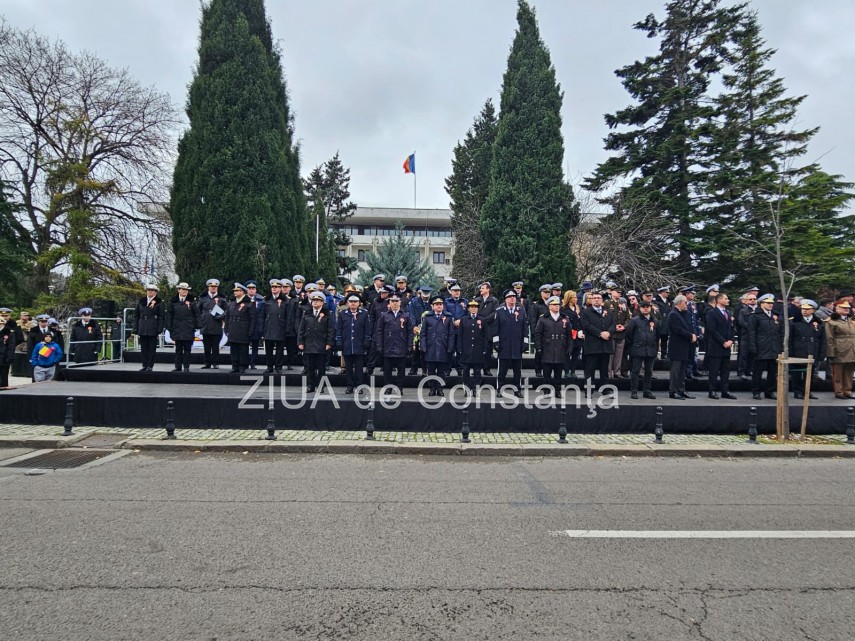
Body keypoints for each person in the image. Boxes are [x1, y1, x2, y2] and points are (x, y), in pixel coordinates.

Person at [747, 293, 784, 400]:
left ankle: (769, 391)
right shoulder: (755, 316)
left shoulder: (776, 316)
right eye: (768, 303)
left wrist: (780, 347)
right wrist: (753, 347)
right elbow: (751, 332)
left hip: (774, 348)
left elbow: (780, 332)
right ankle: (756, 391)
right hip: (761, 347)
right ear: (761, 303)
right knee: (758, 372)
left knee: (773, 372)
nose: (770, 305)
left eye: (771, 303)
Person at [493, 289, 529, 397]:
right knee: (502, 370)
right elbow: (495, 329)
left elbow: (525, 329)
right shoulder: (499, 312)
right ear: (505, 299)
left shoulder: (521, 311)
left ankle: (517, 389)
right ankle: (500, 389)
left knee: (517, 371)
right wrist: (496, 343)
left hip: (517, 345)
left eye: (514, 297)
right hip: (504, 345)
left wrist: (525, 342)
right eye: (509, 297)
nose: (512, 298)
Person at [297, 292, 335, 392]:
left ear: (322, 302)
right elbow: (301, 329)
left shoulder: (328, 314)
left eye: (318, 300)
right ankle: (311, 385)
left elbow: (331, 330)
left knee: (321, 367)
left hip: (321, 343)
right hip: (309, 343)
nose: (315, 302)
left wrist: (329, 343)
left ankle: (320, 386)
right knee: (310, 367)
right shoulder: (307, 313)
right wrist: (300, 342)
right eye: (313, 300)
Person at [374, 293, 412, 392]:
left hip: (401, 346)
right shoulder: (384, 315)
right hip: (388, 346)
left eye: (396, 301)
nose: (395, 303)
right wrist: (379, 345)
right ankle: (388, 387)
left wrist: (409, 346)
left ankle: (399, 388)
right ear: (389, 303)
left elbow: (409, 332)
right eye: (392, 301)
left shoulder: (406, 315)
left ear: (400, 302)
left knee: (401, 370)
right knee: (387, 370)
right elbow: (379, 331)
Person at [789, 299, 826, 399]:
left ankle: (807, 391)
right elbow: (790, 339)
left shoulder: (818, 323)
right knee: (796, 374)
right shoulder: (794, 321)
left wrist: (822, 353)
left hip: (812, 351)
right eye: (803, 309)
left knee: (809, 374)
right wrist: (790, 352)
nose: (804, 311)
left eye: (807, 309)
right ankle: (797, 391)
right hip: (798, 351)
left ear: (813, 310)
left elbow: (822, 340)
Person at [534, 296, 572, 391]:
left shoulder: (564, 318)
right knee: (547, 372)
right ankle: (547, 390)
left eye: (558, 304)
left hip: (560, 348)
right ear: (549, 306)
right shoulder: (543, 319)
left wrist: (569, 348)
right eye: (554, 304)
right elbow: (538, 334)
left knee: (558, 372)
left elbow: (569, 335)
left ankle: (557, 390)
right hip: (547, 348)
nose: (557, 306)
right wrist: (538, 347)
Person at [337, 293, 372, 393]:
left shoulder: (364, 313)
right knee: (348, 367)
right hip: (347, 344)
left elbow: (367, 329)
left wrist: (366, 341)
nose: (353, 303)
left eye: (355, 302)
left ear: (359, 303)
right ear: (347, 303)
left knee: (359, 368)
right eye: (351, 301)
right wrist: (339, 342)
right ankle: (349, 386)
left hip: (359, 344)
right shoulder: (342, 314)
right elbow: (339, 329)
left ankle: (359, 386)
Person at [420, 296, 455, 396]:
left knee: (441, 370)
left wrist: (450, 347)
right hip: (431, 346)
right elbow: (423, 333)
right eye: (437, 304)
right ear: (433, 306)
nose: (439, 306)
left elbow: (451, 334)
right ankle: (432, 388)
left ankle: (440, 388)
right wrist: (423, 346)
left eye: (440, 304)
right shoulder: (428, 317)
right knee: (431, 370)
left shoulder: (448, 317)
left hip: (443, 346)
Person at [579, 291, 615, 388]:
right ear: (591, 300)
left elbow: (613, 324)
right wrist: (600, 333)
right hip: (592, 346)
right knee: (590, 370)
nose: (596, 300)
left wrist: (609, 332)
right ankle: (589, 389)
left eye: (598, 298)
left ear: (602, 300)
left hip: (605, 345)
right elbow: (586, 325)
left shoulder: (609, 312)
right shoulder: (586, 312)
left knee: (604, 370)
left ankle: (605, 388)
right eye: (594, 298)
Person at [705, 292, 737, 400]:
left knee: (725, 371)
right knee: (714, 370)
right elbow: (712, 329)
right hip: (716, 346)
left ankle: (725, 390)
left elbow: (731, 327)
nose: (728, 300)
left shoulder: (728, 312)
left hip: (727, 347)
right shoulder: (712, 313)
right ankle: (712, 390)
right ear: (719, 300)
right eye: (726, 299)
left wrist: (731, 340)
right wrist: (723, 342)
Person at [625, 300, 658, 399]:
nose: (646, 309)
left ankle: (647, 390)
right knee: (635, 371)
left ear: (650, 308)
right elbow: (628, 334)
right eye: (643, 307)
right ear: (640, 308)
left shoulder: (654, 320)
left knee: (649, 371)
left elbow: (657, 334)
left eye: (647, 307)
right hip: (637, 349)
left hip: (650, 349)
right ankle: (634, 391)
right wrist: (634, 345)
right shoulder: (635, 320)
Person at [666, 295, 696, 400]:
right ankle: (673, 391)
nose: (686, 305)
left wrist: (693, 334)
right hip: (676, 347)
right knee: (676, 371)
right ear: (679, 303)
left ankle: (681, 390)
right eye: (685, 302)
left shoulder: (683, 314)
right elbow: (678, 330)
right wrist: (690, 336)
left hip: (684, 346)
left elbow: (689, 326)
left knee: (682, 371)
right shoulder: (673, 314)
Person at [455, 300, 488, 391]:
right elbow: (460, 335)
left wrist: (485, 348)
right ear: (469, 309)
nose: (473, 309)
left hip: (478, 349)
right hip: (466, 349)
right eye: (471, 307)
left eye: (475, 307)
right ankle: (466, 387)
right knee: (466, 370)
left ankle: (476, 388)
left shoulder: (482, 319)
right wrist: (459, 348)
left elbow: (485, 335)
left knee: (477, 370)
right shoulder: (464, 319)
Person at [224, 283, 256, 374]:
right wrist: (226, 328)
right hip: (233, 329)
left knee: (243, 350)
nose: (235, 292)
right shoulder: (231, 303)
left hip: (243, 330)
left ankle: (243, 366)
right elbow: (227, 317)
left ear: (243, 292)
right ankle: (235, 366)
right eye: (234, 291)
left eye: (237, 291)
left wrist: (251, 331)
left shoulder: (249, 304)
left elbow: (252, 319)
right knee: (233, 349)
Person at [166, 283, 199, 372]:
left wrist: (196, 325)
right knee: (178, 349)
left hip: (188, 328)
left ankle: (186, 367)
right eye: (183, 289)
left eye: (187, 290)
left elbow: (196, 314)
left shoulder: (192, 301)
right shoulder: (173, 301)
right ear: (178, 290)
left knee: (187, 349)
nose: (185, 291)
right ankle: (178, 367)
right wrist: (169, 327)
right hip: (177, 328)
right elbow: (169, 316)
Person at [825, 300, 855, 399]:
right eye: (843, 308)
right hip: (839, 349)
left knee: (849, 372)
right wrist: (831, 352)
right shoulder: (831, 321)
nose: (846, 309)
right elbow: (829, 338)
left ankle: (847, 391)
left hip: (852, 349)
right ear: (837, 308)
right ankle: (839, 391)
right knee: (838, 373)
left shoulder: (851, 320)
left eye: (847, 308)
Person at [134, 284, 164, 372]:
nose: (150, 291)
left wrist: (159, 328)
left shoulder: (159, 302)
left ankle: (150, 365)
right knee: (143, 348)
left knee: (151, 348)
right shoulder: (141, 301)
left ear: (155, 292)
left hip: (153, 326)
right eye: (148, 290)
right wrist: (135, 327)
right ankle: (144, 365)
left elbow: (161, 316)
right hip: (142, 326)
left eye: (152, 290)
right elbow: (136, 315)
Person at [197, 278, 226, 369]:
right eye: (212, 286)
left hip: (216, 325)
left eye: (215, 287)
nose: (213, 288)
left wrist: (220, 316)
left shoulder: (222, 298)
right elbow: (198, 311)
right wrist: (201, 319)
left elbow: (227, 311)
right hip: (205, 325)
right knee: (206, 346)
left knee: (215, 346)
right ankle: (207, 363)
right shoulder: (203, 298)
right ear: (208, 287)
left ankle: (215, 363)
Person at [262, 279, 288, 374]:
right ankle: (269, 367)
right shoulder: (266, 300)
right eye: (273, 287)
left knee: (280, 350)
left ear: (280, 288)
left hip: (281, 327)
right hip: (269, 327)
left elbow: (288, 316)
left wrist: (287, 328)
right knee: (268, 349)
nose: (274, 288)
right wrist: (262, 329)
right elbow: (262, 316)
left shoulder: (285, 300)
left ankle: (278, 367)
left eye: (276, 287)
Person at [474, 282, 499, 376]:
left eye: (483, 288)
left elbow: (495, 312)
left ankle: (486, 369)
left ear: (488, 289)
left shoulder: (494, 300)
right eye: (480, 288)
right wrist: (478, 319)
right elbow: (473, 311)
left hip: (489, 327)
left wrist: (484, 319)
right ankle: (476, 369)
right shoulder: (476, 300)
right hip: (478, 326)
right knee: (477, 349)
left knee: (487, 349)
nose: (480, 289)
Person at [561, 290, 582, 379]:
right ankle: (566, 371)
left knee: (576, 354)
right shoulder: (563, 309)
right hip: (568, 334)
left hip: (578, 334)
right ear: (569, 298)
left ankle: (573, 371)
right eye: (574, 297)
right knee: (567, 353)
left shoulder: (579, 308)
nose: (576, 299)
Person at [244, 280, 265, 369]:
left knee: (255, 346)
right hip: (245, 326)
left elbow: (263, 315)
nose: (251, 290)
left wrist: (262, 328)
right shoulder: (243, 300)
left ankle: (253, 363)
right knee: (244, 346)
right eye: (249, 288)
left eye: (253, 288)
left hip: (256, 327)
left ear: (256, 290)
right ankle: (244, 363)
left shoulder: (261, 300)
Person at [0, 311, 16, 388]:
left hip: (4, 356)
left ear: (3, 324)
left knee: (3, 375)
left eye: (0, 323)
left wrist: (9, 357)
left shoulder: (8, 332)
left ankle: (3, 387)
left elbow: (11, 346)